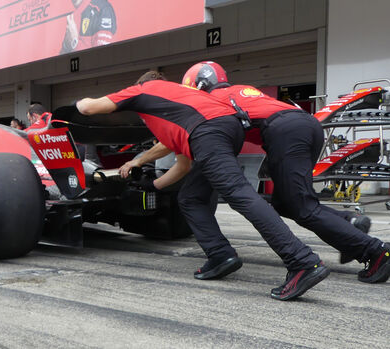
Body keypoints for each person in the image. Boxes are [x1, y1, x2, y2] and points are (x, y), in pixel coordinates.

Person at [76, 70, 329, 301]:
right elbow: (182, 167)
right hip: (226, 128)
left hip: (210, 132)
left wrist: (76, 103)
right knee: (191, 197)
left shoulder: (144, 89)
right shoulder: (181, 102)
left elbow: (88, 108)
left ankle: (302, 261)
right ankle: (220, 255)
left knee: (239, 194)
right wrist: (151, 186)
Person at [181, 61, 390, 285]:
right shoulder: (242, 89)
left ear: (198, 86)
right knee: (287, 203)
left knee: (303, 208)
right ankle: (349, 225)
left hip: (284, 133)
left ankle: (375, 251)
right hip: (306, 125)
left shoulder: (210, 101)